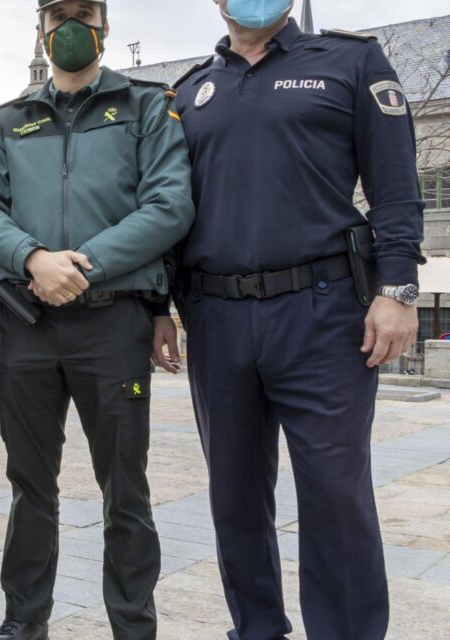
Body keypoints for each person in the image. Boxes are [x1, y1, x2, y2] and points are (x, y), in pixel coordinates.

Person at [163, 1, 425, 637]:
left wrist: (398, 289)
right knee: (235, 498)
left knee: (336, 496)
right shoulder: (189, 91)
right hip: (216, 316)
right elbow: (166, 211)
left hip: (324, 313)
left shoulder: (350, 61)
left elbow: (395, 185)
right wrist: (160, 306)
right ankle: (256, 629)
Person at [0, 1, 196, 638]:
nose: (72, 23)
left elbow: (170, 205)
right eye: (57, 12)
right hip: (28, 326)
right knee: (28, 487)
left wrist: (84, 265)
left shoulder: (148, 107)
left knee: (126, 490)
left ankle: (132, 623)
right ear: (39, 26)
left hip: (113, 325)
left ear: (104, 23)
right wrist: (33, 258)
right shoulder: (11, 119)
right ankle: (23, 620)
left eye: (84, 10)